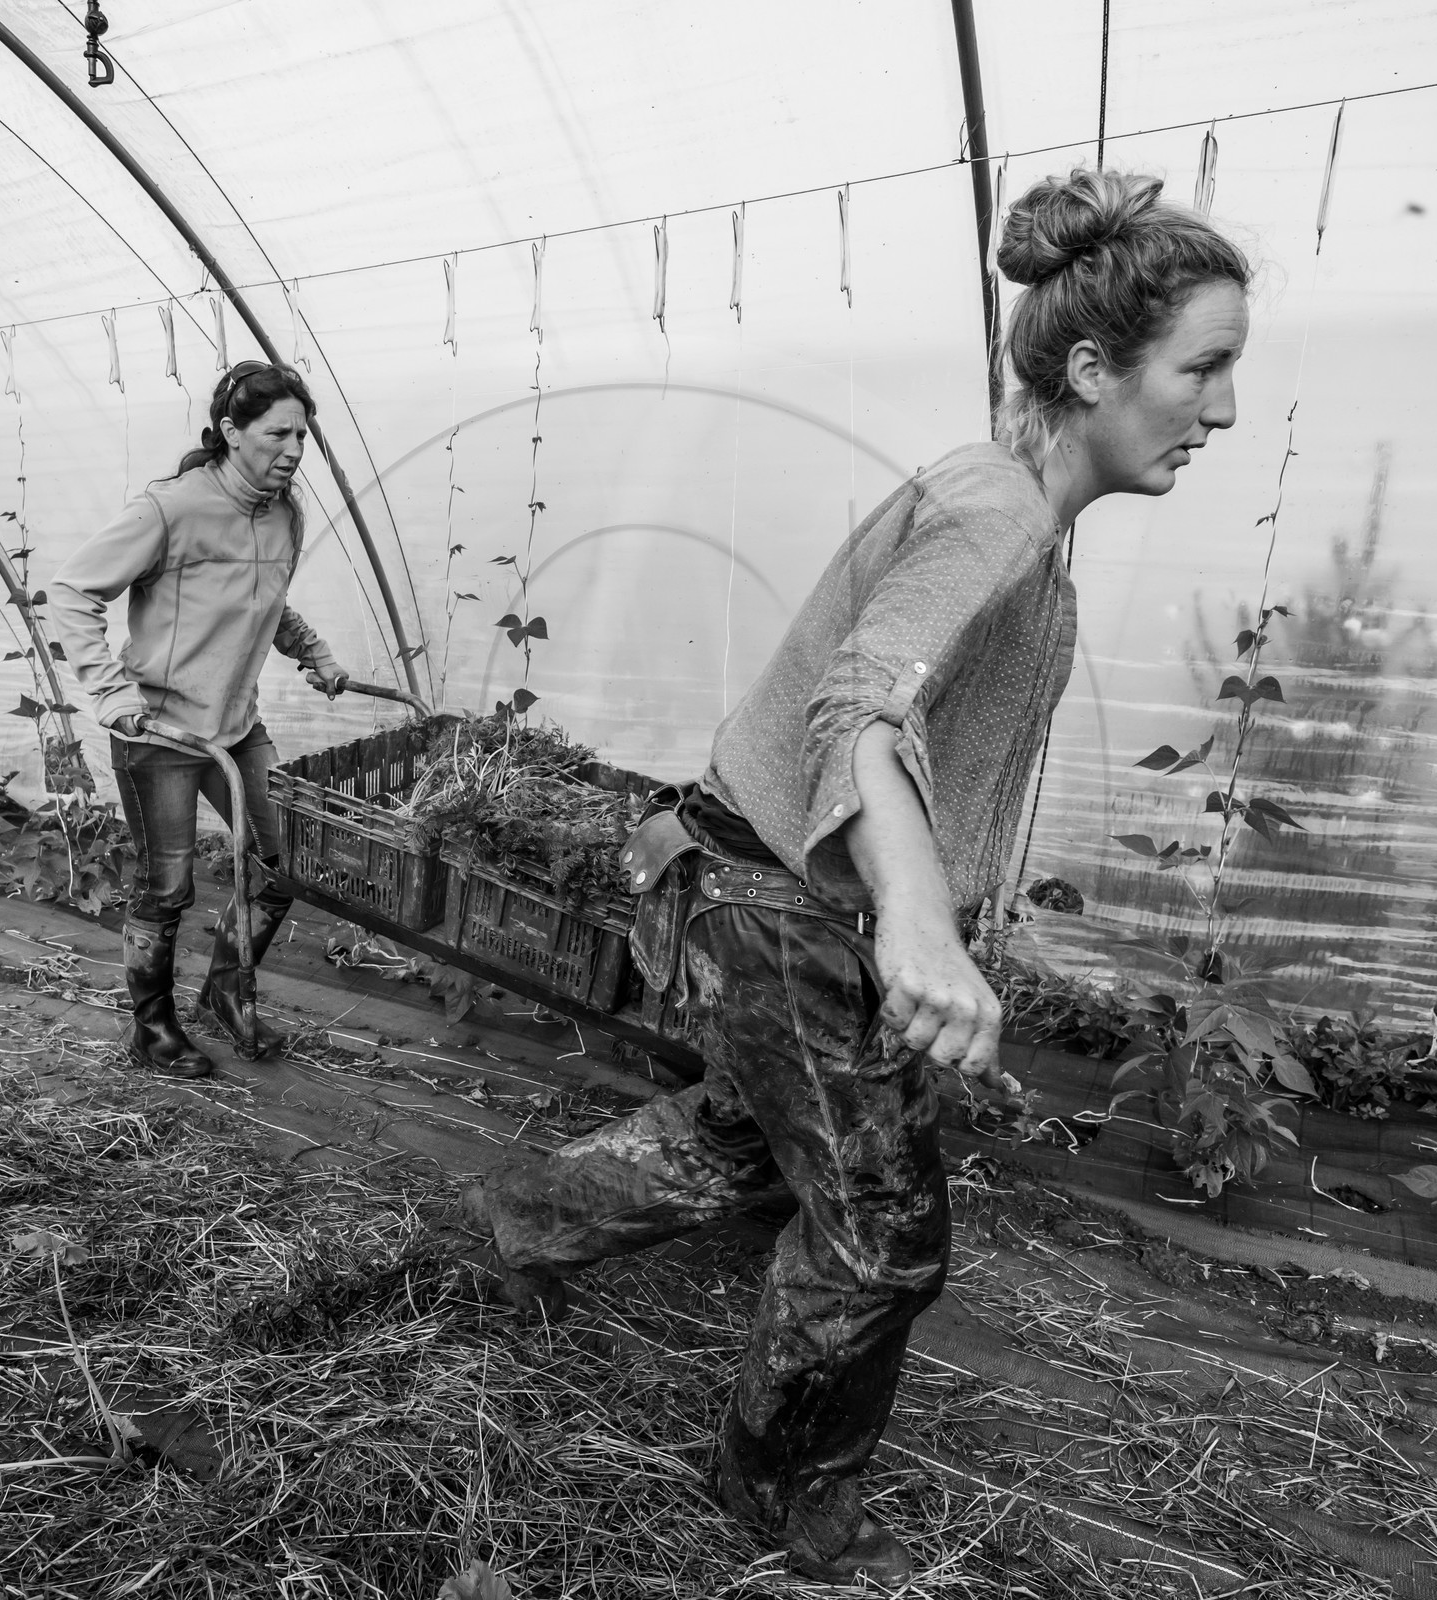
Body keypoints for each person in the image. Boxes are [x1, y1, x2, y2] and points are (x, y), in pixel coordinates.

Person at [465, 169, 1252, 1583]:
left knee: (750, 1141)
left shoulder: (1015, 507)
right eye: (1205, 368)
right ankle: (773, 1485)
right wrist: (922, 921)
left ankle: (520, 1224)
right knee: (885, 1239)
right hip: (788, 907)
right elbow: (861, 709)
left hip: (759, 883)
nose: (1228, 409)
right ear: (1093, 367)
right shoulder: (997, 514)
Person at [50, 362, 349, 1080]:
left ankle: (224, 987)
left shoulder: (284, 513)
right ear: (230, 432)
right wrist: (112, 694)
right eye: (278, 432)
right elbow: (70, 593)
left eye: (302, 433)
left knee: (285, 866)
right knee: (168, 888)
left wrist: (311, 651)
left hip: (237, 728)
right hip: (161, 734)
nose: (294, 448)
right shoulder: (171, 508)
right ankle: (152, 1030)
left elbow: (266, 600)